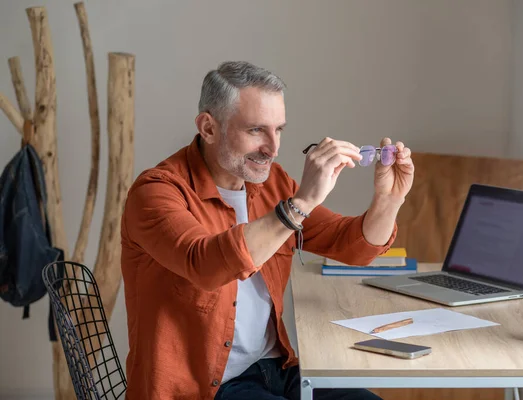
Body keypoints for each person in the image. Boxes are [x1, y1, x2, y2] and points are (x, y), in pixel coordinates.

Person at [120, 61, 414, 400]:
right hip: (205, 389)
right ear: (209, 128)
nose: (273, 148)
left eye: (279, 130)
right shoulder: (155, 192)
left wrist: (389, 200)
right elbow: (206, 265)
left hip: (277, 369)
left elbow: (353, 247)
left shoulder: (273, 183)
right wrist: (301, 202)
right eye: (256, 130)